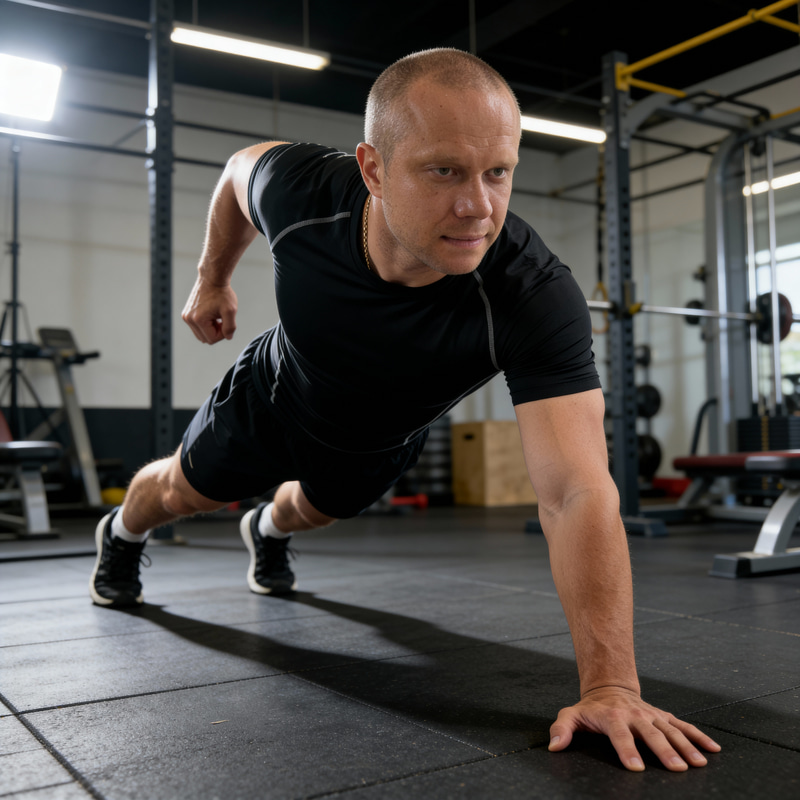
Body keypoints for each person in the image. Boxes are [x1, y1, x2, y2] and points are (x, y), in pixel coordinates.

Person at [89, 47, 720, 773]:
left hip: (375, 441)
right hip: (271, 395)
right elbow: (238, 172)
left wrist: (612, 686)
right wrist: (212, 279)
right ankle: (120, 533)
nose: (477, 206)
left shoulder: (531, 296)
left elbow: (576, 490)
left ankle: (264, 528)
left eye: (498, 172)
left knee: (307, 511)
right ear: (373, 170)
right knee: (179, 492)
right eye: (444, 170)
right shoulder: (303, 192)